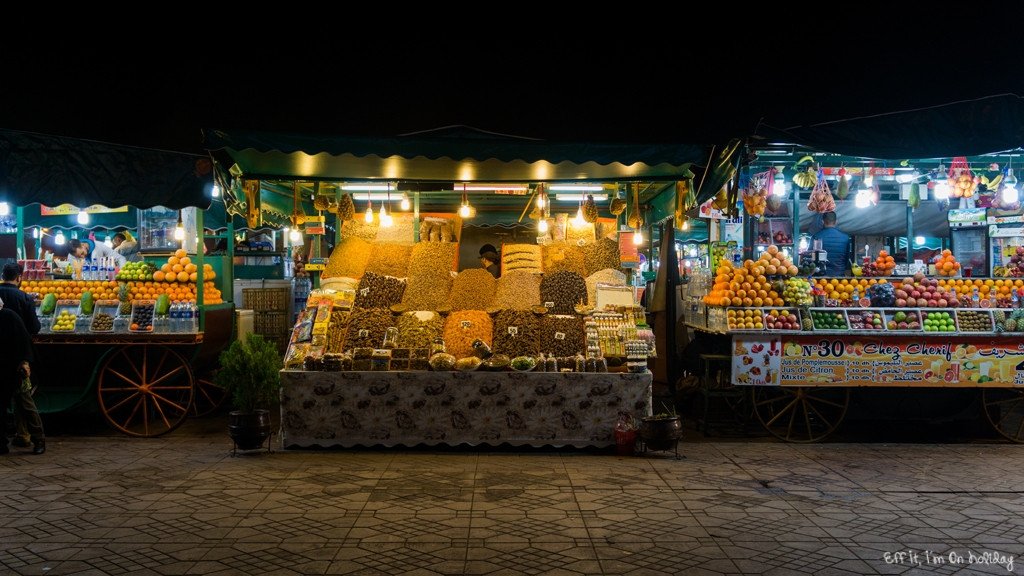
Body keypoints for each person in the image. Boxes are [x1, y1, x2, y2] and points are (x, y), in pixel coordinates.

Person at [0, 264, 45, 453]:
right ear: (19, 277)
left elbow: (23, 341)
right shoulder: (24, 298)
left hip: (15, 364)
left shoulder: (9, 316)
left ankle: (38, 439)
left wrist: (24, 363)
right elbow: (34, 328)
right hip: (4, 364)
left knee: (25, 403)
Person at [811, 211, 851, 276]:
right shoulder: (845, 237)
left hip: (820, 277)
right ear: (836, 222)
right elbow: (846, 259)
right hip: (839, 276)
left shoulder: (816, 236)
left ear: (822, 221)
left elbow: (811, 257)